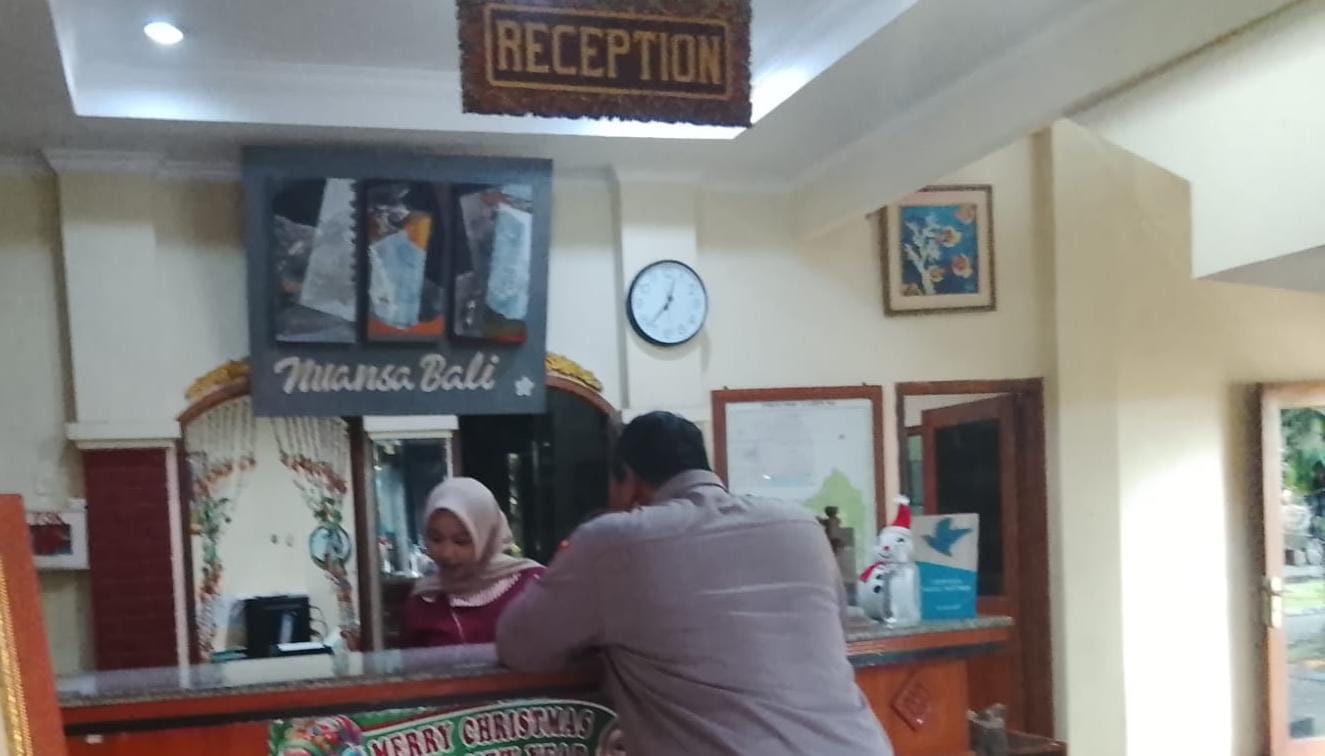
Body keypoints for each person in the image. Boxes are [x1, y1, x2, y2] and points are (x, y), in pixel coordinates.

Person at [496, 412, 893, 755]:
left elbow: (521, 646)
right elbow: (835, 627)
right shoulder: (800, 525)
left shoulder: (613, 541)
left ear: (628, 481)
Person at [402, 477, 544, 647]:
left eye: (461, 541)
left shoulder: (534, 586)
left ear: (487, 536)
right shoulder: (424, 600)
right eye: (436, 539)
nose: (446, 553)